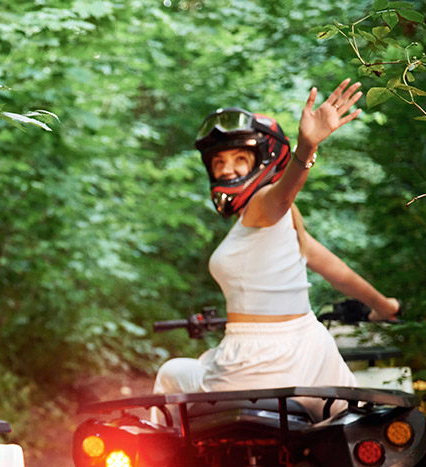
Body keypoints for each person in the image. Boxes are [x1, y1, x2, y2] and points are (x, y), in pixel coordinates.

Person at [154, 80, 400, 414]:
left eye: (240, 158)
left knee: (171, 374)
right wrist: (385, 306)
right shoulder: (285, 226)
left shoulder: (263, 207)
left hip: (250, 365)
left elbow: (283, 193)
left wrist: (306, 148)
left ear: (262, 162)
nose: (227, 169)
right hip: (313, 360)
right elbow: (338, 273)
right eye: (219, 162)